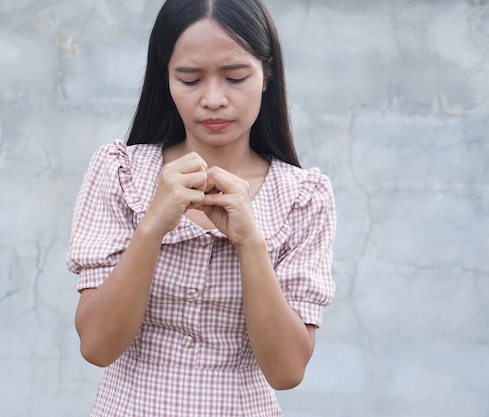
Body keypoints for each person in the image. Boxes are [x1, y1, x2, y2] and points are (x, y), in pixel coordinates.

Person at [66, 0, 336, 415]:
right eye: (190, 79)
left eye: (235, 77)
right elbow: (97, 346)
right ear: (166, 79)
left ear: (266, 74)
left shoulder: (304, 196)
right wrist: (153, 225)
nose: (213, 99)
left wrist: (250, 241)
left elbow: (287, 371)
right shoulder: (121, 173)